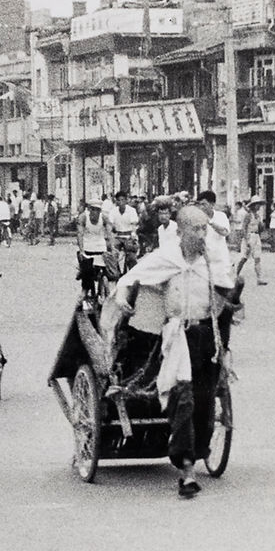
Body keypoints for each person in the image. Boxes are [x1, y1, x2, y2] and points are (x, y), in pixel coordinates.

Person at [102, 205, 234, 499]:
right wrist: (123, 299)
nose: (202, 235)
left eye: (205, 229)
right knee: (183, 398)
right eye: (196, 229)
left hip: (206, 337)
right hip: (177, 338)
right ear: (181, 231)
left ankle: (198, 450)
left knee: (204, 401)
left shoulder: (212, 260)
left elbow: (228, 294)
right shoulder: (167, 258)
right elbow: (128, 279)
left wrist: (232, 306)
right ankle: (186, 470)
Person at [76, 198, 112, 299]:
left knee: (107, 269)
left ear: (100, 211)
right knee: (86, 271)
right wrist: (82, 249)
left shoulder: (104, 218)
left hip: (101, 246)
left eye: (97, 210)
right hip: (88, 246)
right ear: (89, 209)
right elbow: (80, 234)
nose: (94, 212)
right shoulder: (83, 217)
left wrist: (111, 247)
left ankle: (104, 290)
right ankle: (85, 290)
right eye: (92, 209)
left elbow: (109, 234)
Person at [236, 196, 268, 285]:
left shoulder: (258, 216)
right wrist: (246, 240)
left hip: (256, 236)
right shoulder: (248, 215)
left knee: (257, 258)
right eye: (257, 204)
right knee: (244, 258)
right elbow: (244, 228)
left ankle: (259, 278)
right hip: (249, 236)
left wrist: (262, 226)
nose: (259, 207)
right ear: (253, 205)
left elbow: (260, 228)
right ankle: (236, 274)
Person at [109, 191, 140, 272]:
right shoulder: (113, 211)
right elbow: (110, 224)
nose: (121, 202)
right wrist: (110, 235)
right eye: (118, 200)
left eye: (123, 200)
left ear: (126, 201)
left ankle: (133, 274)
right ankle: (116, 272)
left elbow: (134, 225)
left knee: (131, 257)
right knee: (112, 255)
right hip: (118, 236)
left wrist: (133, 235)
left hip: (129, 236)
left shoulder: (131, 210)